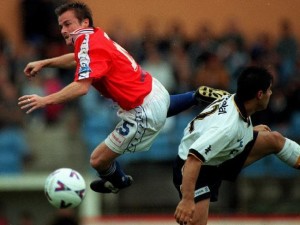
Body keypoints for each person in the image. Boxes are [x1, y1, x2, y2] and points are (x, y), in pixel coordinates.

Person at [18, 1, 228, 194]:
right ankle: (194, 95)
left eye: (68, 24)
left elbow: (81, 88)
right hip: (155, 91)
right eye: (61, 26)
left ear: (84, 22)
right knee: (156, 108)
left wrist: (45, 100)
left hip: (143, 110)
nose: (63, 30)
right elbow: (78, 59)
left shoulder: (87, 42)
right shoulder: (94, 35)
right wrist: (45, 63)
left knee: (97, 160)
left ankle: (118, 181)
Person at [173, 66, 300, 225]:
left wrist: (248, 131)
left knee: (273, 139)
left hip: (220, 155)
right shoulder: (227, 128)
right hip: (195, 169)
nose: (271, 93)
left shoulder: (236, 100)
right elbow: (193, 158)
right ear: (259, 95)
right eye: (269, 90)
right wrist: (187, 199)